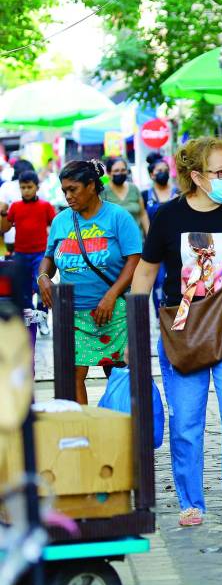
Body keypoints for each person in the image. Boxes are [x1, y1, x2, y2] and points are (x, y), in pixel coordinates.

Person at [131, 137, 222, 531]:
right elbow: (145, 272)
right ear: (196, 177)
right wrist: (134, 332)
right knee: (186, 421)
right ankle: (191, 502)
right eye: (219, 172)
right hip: (182, 331)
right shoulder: (168, 217)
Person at [38, 160, 142, 405]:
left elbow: (134, 260)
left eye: (73, 189)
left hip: (112, 312)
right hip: (71, 312)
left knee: (118, 375)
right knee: (73, 375)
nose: (68, 196)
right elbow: (49, 258)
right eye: (64, 191)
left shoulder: (118, 217)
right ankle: (83, 433)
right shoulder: (61, 221)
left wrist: (111, 295)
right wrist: (43, 277)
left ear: (92, 186)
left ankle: (121, 433)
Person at [0, 170, 56, 333]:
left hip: (40, 254)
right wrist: (3, 214)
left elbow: (54, 226)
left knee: (40, 288)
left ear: (37, 187)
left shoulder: (45, 206)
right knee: (23, 292)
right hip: (21, 254)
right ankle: (30, 324)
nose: (26, 190)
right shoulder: (15, 207)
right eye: (23, 187)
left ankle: (42, 321)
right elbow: (4, 228)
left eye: (29, 187)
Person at [141, 153, 177, 310]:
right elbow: (143, 220)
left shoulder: (178, 193)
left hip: (175, 244)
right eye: (158, 170)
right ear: (151, 174)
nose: (162, 173)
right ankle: (160, 313)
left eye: (165, 169)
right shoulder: (145, 196)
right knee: (159, 280)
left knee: (175, 278)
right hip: (154, 245)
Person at [0, 159, 36, 257]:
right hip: (34, 239)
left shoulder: (6, 187)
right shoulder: (35, 187)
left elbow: (1, 209)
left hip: (11, 237)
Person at [104, 157, 148, 233]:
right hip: (114, 240)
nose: (120, 173)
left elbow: (143, 214)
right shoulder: (103, 192)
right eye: (116, 171)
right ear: (109, 173)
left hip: (137, 239)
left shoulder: (134, 189)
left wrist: (149, 235)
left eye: (123, 170)